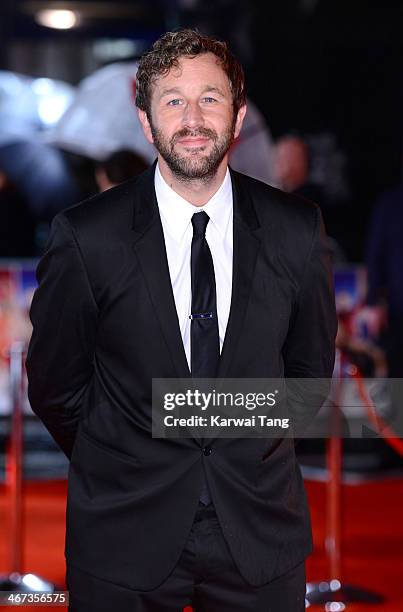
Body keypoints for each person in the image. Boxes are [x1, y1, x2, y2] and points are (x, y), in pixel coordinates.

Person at [26, 29, 337, 612]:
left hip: (259, 529)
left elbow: (308, 379)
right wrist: (123, 454)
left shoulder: (296, 230)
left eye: (210, 99)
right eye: (173, 101)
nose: (192, 119)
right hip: (122, 531)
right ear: (145, 121)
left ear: (238, 116)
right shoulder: (88, 235)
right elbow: (55, 386)